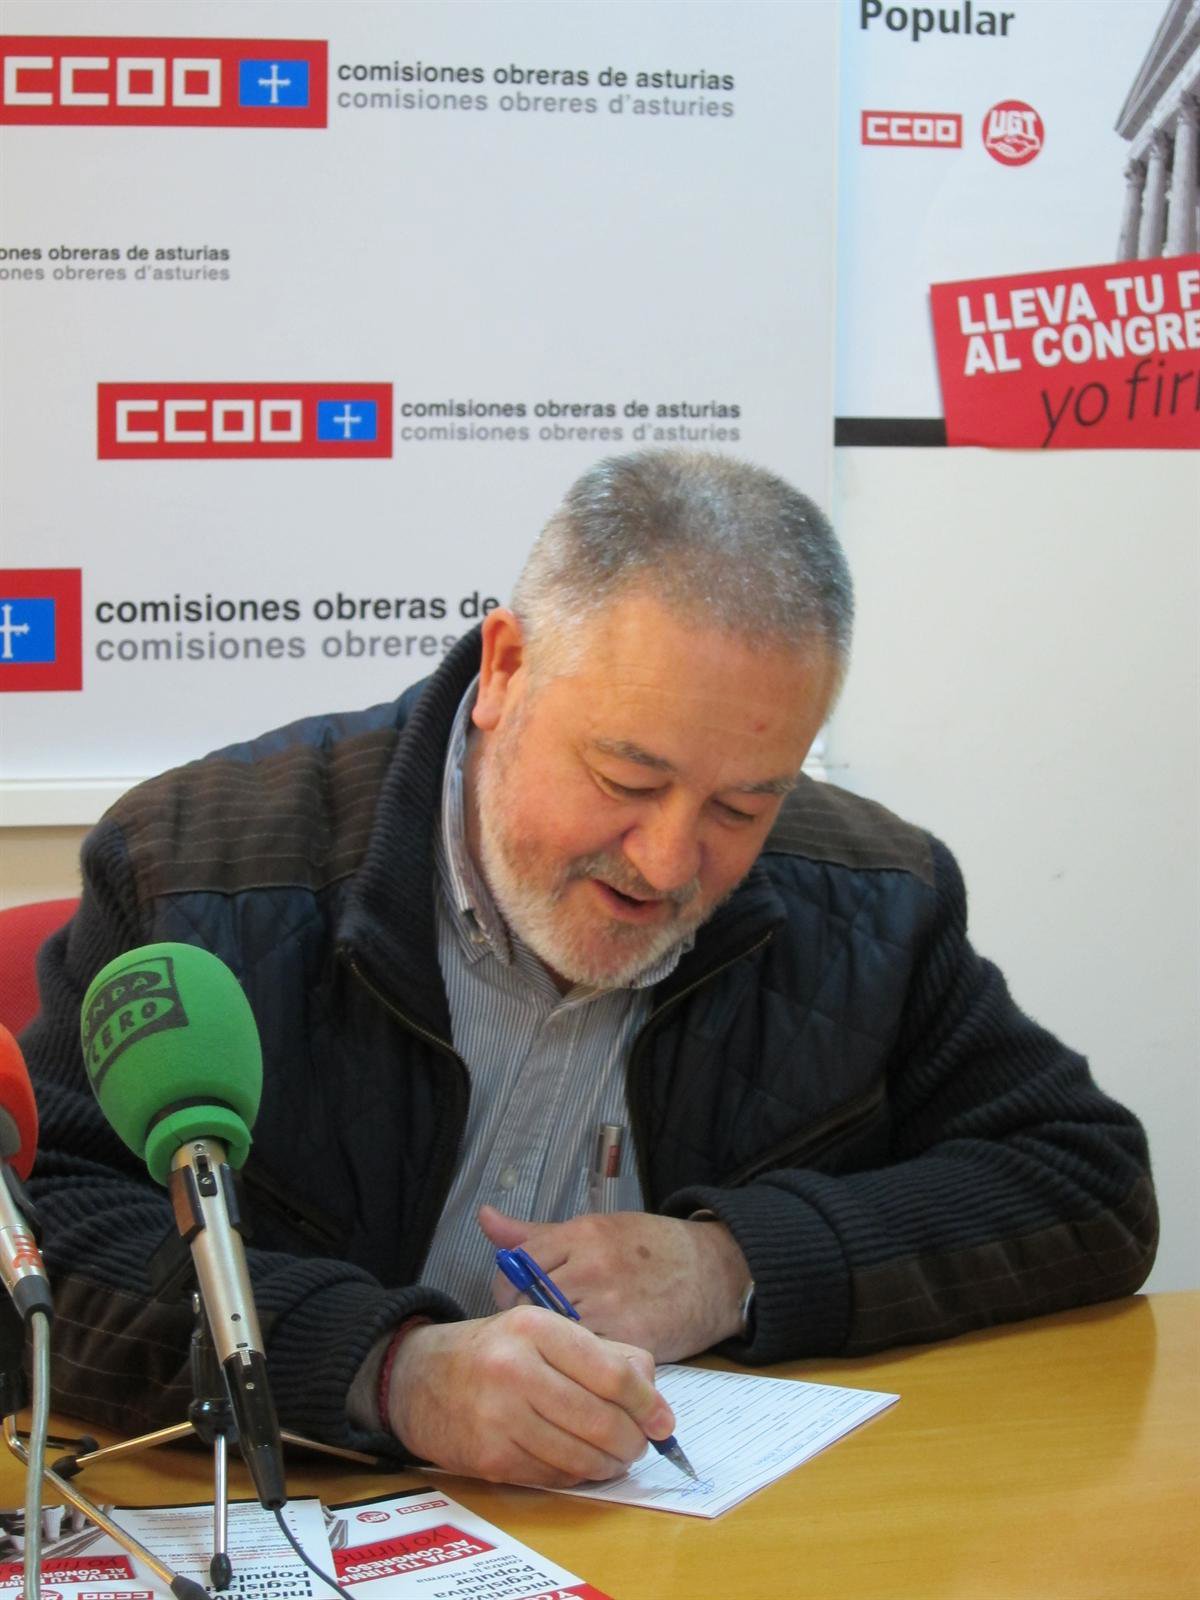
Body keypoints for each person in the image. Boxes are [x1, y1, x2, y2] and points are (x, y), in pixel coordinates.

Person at [22, 451, 1157, 1488]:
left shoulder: (873, 899)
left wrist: (733, 1262)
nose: (667, 862)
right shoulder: (197, 872)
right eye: (627, 779)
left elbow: (1087, 1180)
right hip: (315, 1513)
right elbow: (41, 1232)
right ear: (507, 668)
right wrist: (388, 1369)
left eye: (741, 806)